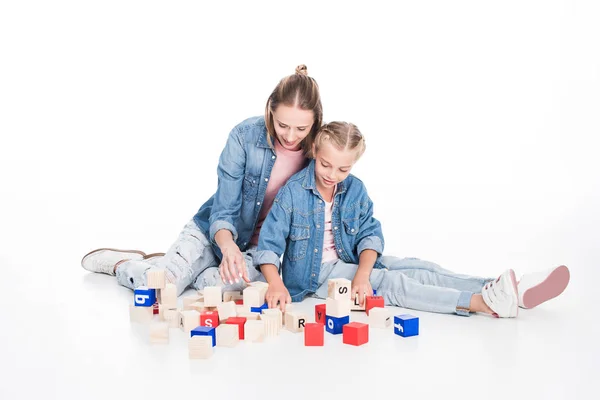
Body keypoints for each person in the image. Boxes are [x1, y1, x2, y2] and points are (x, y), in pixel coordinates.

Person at [253, 121, 570, 317]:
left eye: (343, 169)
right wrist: (277, 284)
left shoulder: (354, 189)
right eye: (325, 164)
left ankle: (501, 288)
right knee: (392, 283)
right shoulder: (294, 191)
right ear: (316, 153)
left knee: (423, 268)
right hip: (315, 275)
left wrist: (362, 274)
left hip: (348, 259)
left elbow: (369, 235)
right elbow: (268, 246)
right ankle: (482, 303)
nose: (332, 175)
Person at [80, 65, 323, 296]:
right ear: (270, 108)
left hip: (256, 252)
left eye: (301, 129)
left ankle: (176, 266)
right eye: (282, 125)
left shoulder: (320, 154)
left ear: (315, 121)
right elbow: (224, 209)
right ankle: (126, 264)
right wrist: (228, 248)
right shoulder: (244, 136)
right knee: (156, 288)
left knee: (213, 287)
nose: (290, 136)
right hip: (213, 233)